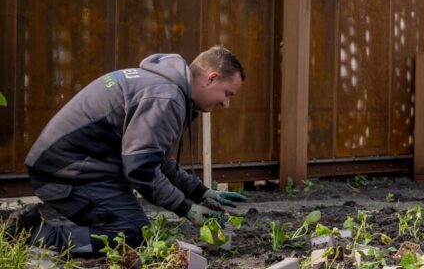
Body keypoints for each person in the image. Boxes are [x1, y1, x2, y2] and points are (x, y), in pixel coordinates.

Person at [16, 46, 249, 254]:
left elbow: (156, 161)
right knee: (131, 235)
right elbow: (141, 169)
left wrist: (200, 193)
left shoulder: (163, 88)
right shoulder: (165, 97)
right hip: (66, 175)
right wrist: (186, 208)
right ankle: (33, 234)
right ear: (211, 78)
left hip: (76, 168)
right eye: (227, 94)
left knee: (132, 230)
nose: (226, 104)